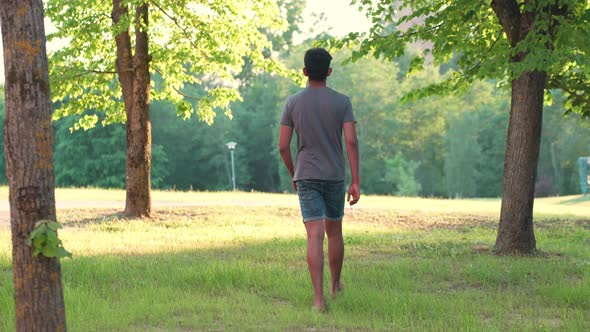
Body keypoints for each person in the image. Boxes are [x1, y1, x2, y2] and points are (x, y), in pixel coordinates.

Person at [278, 48, 360, 312]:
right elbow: (351, 140)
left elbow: (282, 146)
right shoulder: (342, 102)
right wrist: (355, 180)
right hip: (334, 176)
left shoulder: (293, 102)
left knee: (314, 235)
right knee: (334, 231)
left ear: (304, 72)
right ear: (329, 72)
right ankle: (335, 286)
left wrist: (294, 174)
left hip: (307, 176)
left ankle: (318, 300)